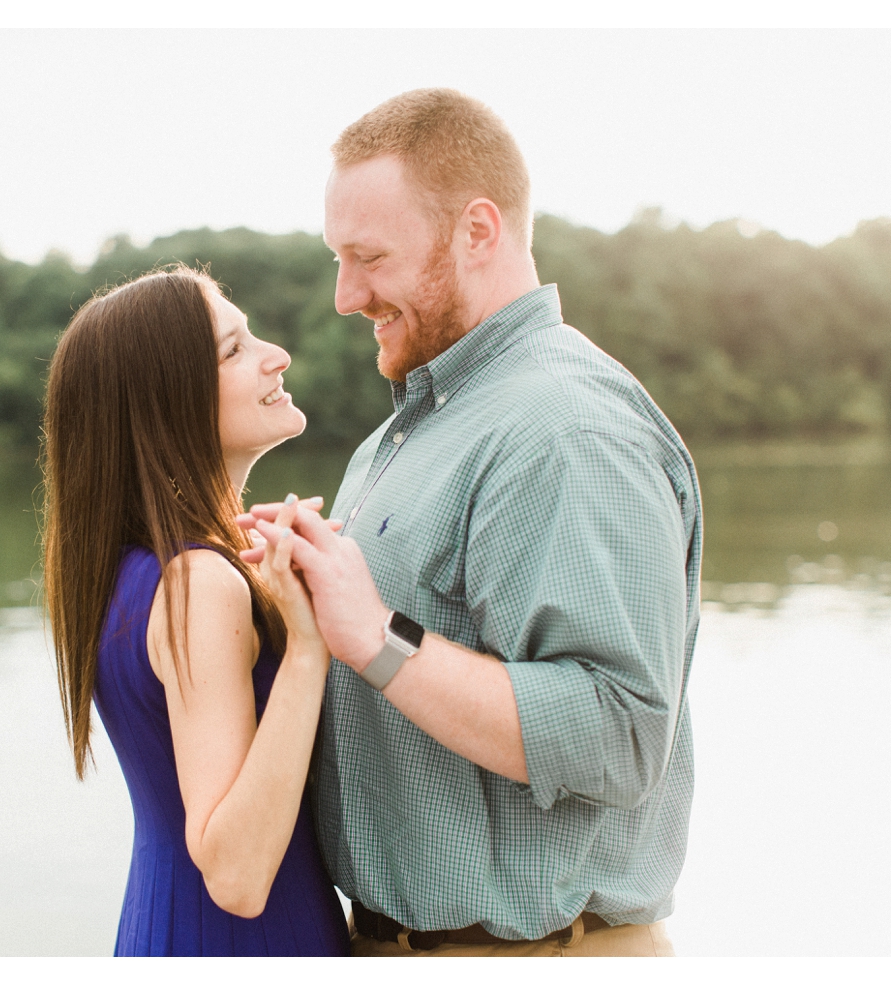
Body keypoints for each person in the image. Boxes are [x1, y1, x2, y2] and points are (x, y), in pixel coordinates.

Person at [239, 88, 702, 957]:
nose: (346, 295)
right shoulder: (410, 427)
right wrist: (296, 590)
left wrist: (377, 634)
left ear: (478, 231)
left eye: (369, 256)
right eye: (339, 259)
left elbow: (621, 733)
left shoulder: (567, 426)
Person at [42, 267, 350, 956]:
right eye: (235, 349)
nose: (278, 355)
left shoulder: (127, 573)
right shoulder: (199, 584)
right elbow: (236, 876)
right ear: (166, 401)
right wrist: (307, 646)